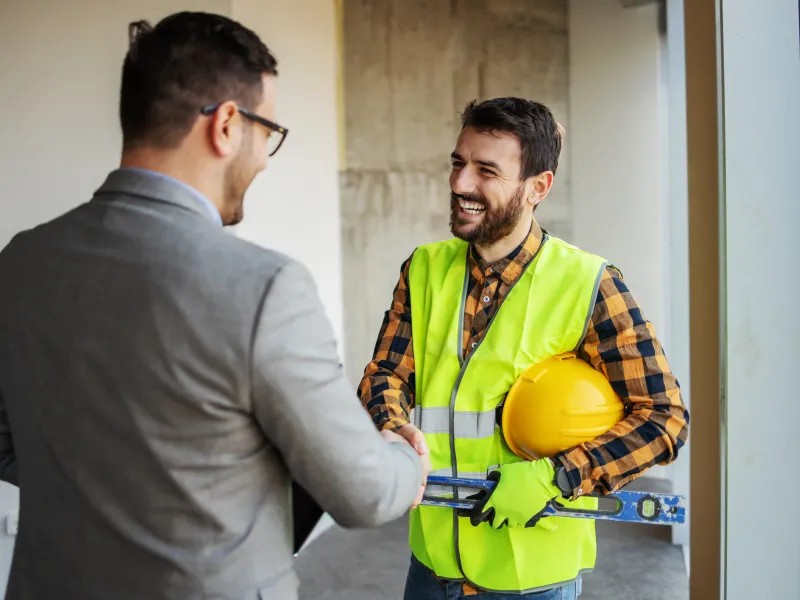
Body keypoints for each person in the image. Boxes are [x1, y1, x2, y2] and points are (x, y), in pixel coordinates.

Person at [0, 11, 429, 600]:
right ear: (227, 124)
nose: (263, 157)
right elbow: (365, 493)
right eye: (268, 134)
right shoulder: (264, 287)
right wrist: (402, 456)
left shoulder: (21, 261)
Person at [358, 97, 690, 599]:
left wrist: (556, 477)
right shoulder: (422, 269)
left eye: (486, 170)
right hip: (431, 563)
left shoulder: (590, 284)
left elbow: (665, 420)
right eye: (458, 163)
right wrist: (391, 423)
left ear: (538, 187)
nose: (460, 184)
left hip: (531, 578)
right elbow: (387, 372)